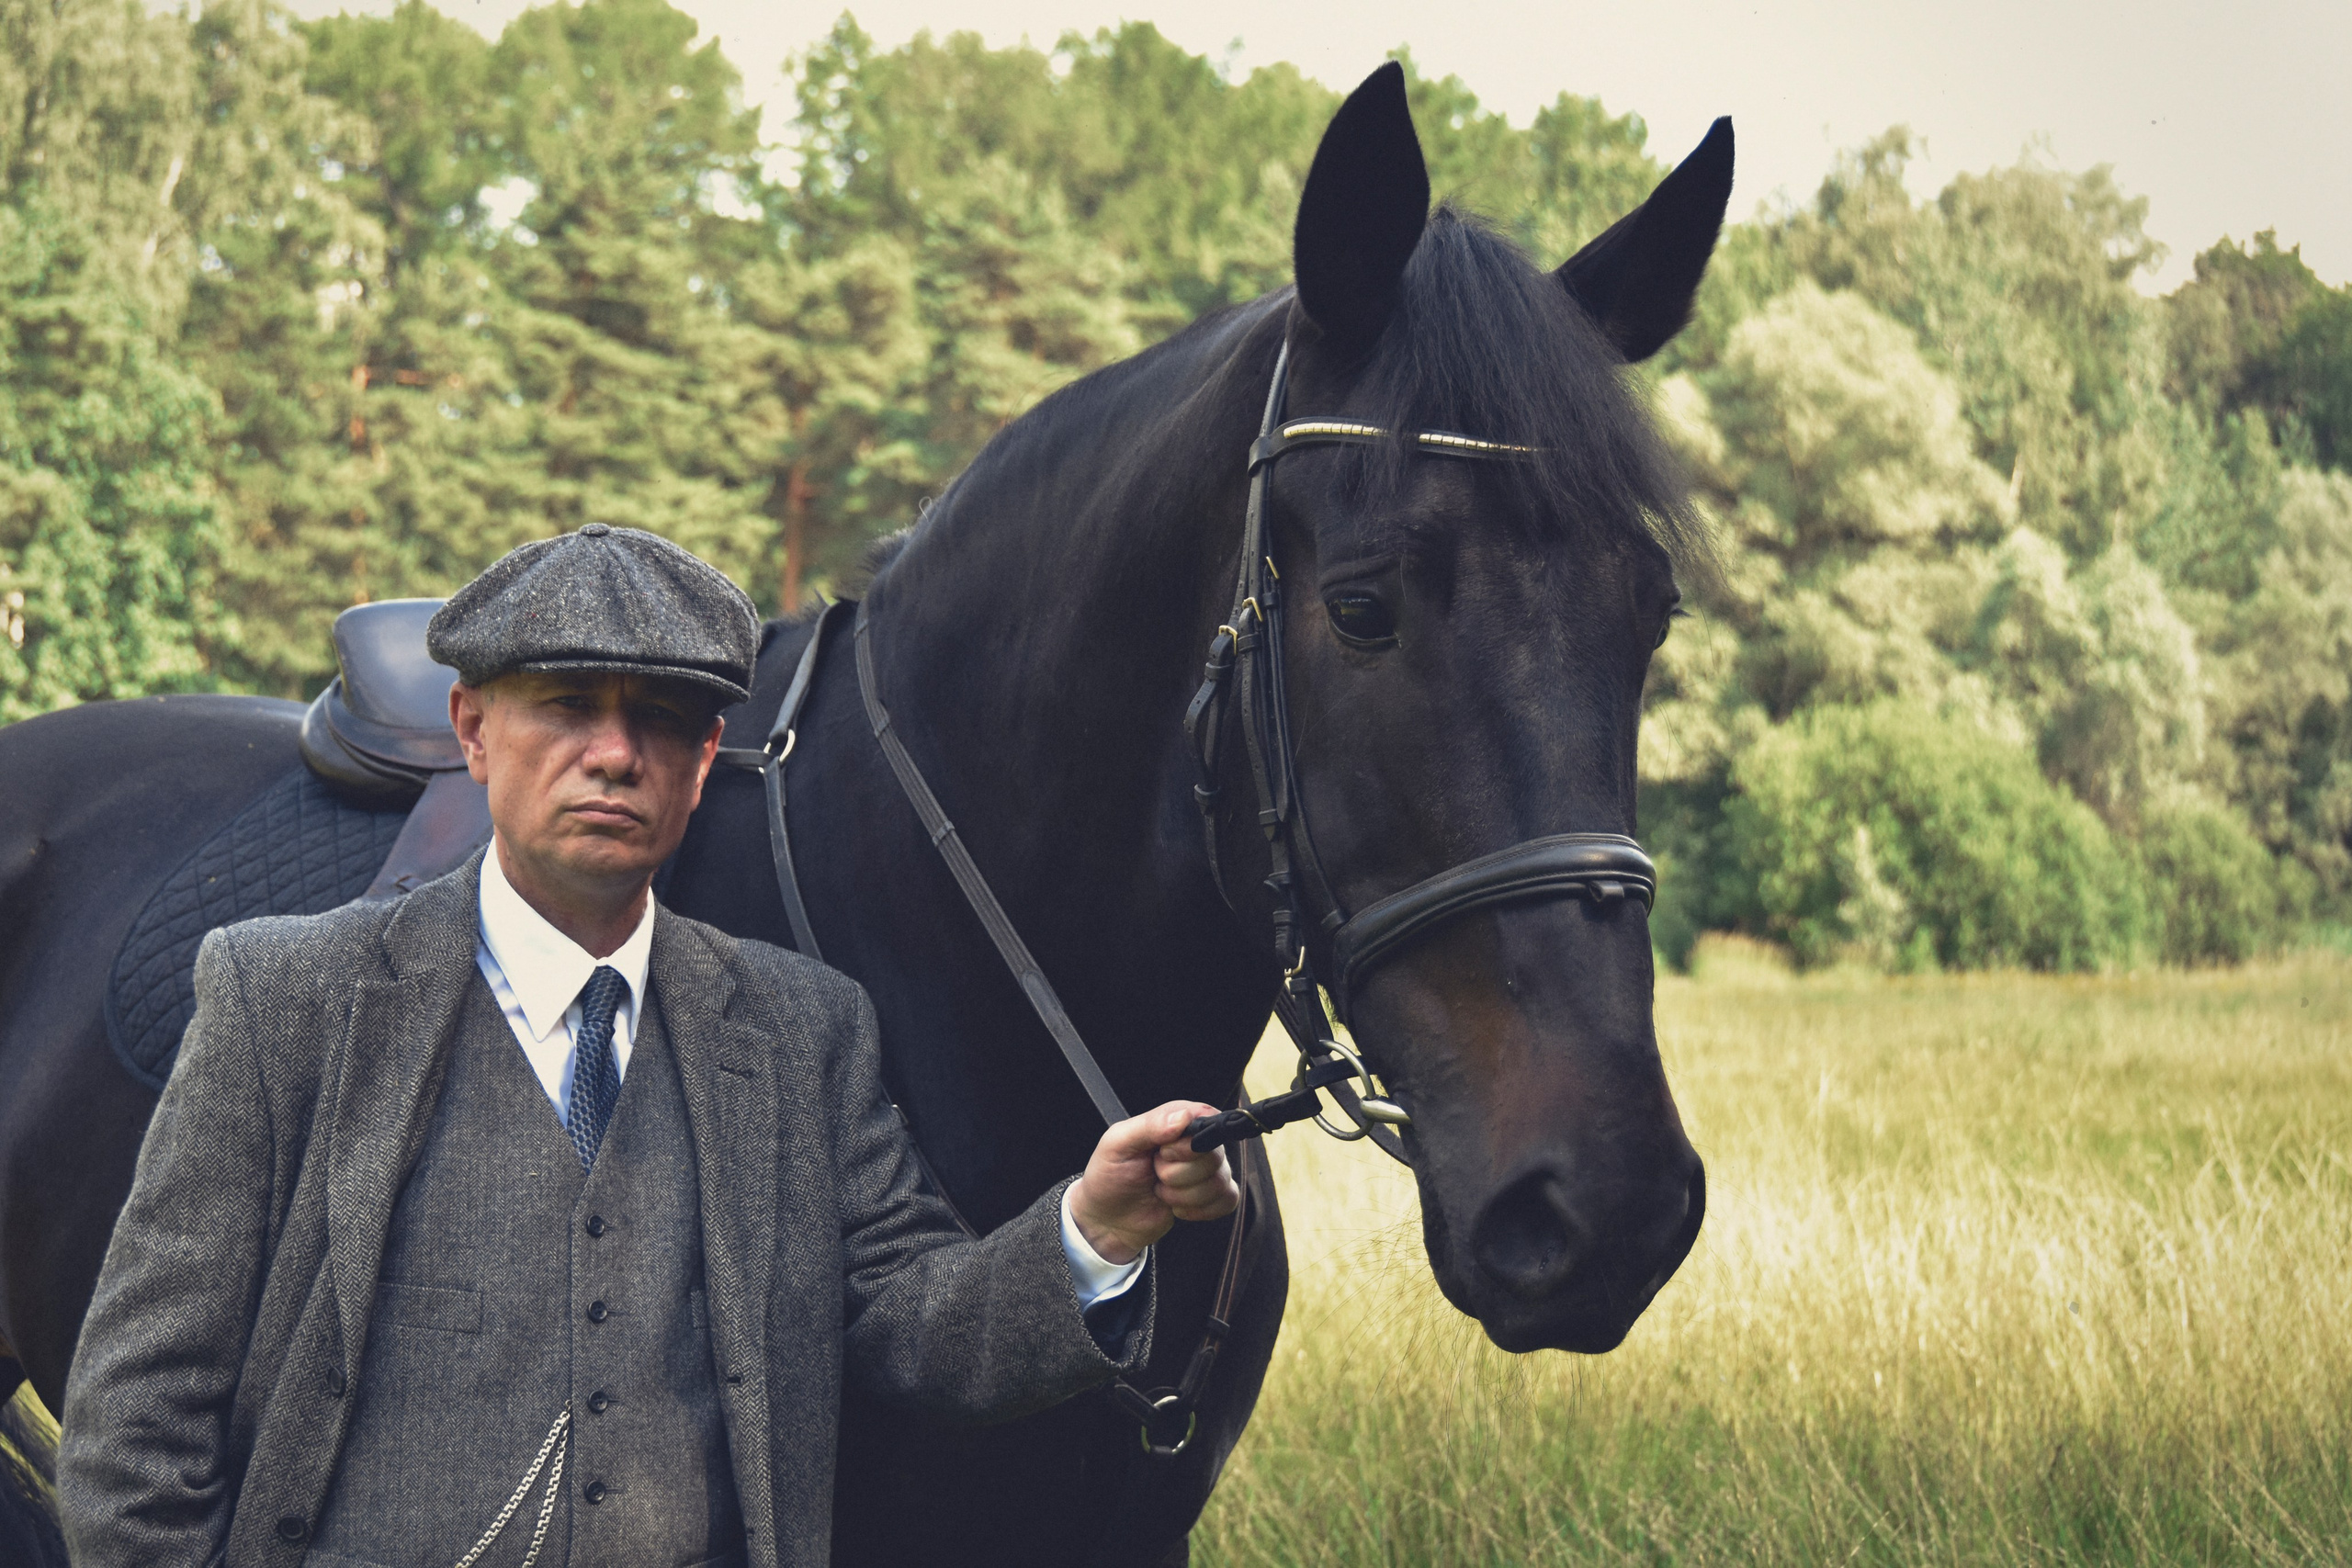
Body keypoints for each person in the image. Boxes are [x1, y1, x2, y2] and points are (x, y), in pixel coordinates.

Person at [55, 525, 1237, 1568]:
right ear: (473, 730)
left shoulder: (802, 1029)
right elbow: (139, 1412)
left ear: (704, 761)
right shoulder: (284, 998)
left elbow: (913, 1324)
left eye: (661, 720)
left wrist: (1093, 1227)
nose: (615, 754)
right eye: (567, 706)